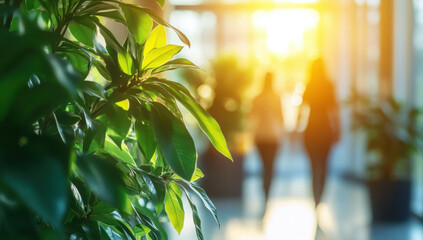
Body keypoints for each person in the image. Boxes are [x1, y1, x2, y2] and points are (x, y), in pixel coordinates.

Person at [301, 58, 340, 207]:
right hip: (325, 128)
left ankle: (315, 197)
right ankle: (319, 196)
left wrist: (297, 128)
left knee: (314, 166)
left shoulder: (309, 85)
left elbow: (302, 109)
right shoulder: (328, 85)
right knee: (323, 165)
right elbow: (334, 109)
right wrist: (338, 129)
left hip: (311, 129)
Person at [250, 72, 284, 208]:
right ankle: (267, 193)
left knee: (264, 166)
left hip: (260, 135)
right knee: (270, 166)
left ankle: (265, 191)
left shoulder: (257, 98)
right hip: (274, 136)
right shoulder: (276, 98)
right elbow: (281, 118)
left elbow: (251, 116)